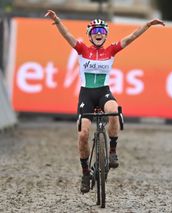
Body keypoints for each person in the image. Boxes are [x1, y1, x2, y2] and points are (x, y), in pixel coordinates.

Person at [45, 10, 165, 193]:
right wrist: (57, 20)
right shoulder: (82, 49)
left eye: (102, 31)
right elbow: (67, 35)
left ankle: (113, 151)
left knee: (114, 110)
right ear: (90, 35)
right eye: (95, 31)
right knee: (83, 134)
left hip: (103, 92)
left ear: (106, 35)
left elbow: (131, 37)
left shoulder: (111, 50)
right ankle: (85, 173)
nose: (99, 34)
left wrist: (148, 25)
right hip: (86, 94)